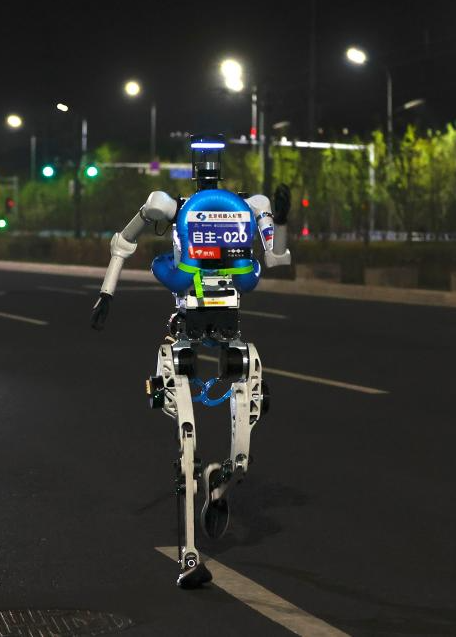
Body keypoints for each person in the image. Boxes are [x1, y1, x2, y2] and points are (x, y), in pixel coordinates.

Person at [91, 134, 290, 588]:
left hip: (226, 318)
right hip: (190, 321)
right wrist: (106, 294)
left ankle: (222, 482)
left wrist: (279, 221)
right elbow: (123, 242)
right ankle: (189, 555)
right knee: (186, 442)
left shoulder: (236, 205)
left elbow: (275, 258)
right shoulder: (196, 205)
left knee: (243, 447)